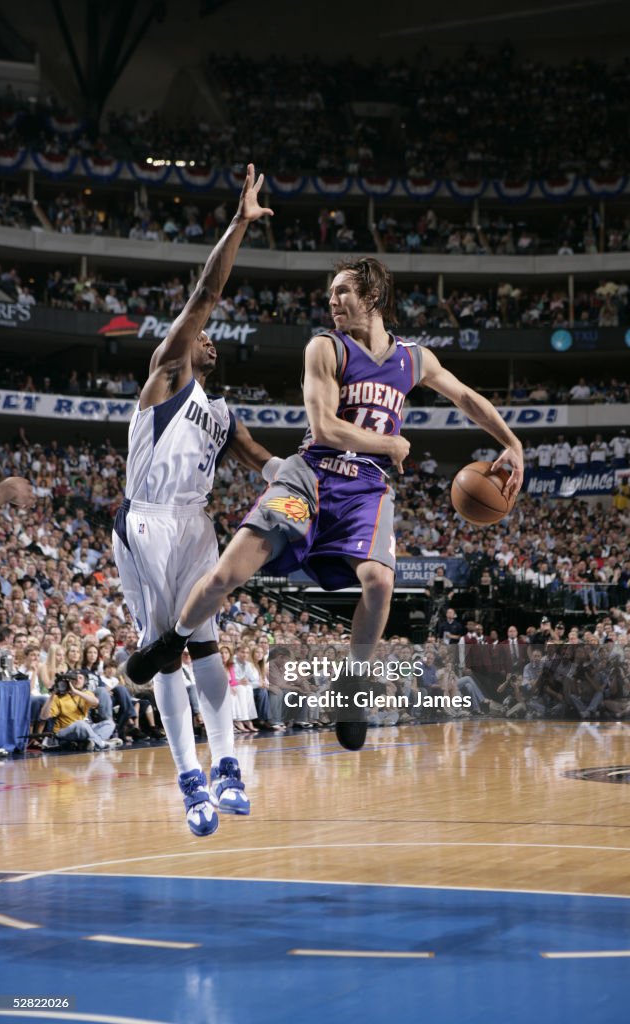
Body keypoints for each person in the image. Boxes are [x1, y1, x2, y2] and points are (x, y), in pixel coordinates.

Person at [127, 256, 524, 752]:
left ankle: (354, 683)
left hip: (365, 488)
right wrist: (392, 444)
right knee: (230, 574)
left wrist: (512, 442)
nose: (332, 302)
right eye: (331, 294)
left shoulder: (414, 359)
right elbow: (324, 428)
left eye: (342, 292)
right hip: (309, 478)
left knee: (379, 580)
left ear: (373, 296)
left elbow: (465, 398)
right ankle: (173, 638)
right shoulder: (325, 346)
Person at [112, 164, 276, 837]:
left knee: (204, 641)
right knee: (165, 648)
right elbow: (208, 290)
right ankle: (188, 781)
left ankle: (228, 767)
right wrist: (238, 223)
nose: (208, 336)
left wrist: (320, 471)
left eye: (212, 340)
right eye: (203, 332)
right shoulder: (168, 370)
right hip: (147, 516)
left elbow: (267, 464)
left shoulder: (223, 413)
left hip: (196, 524)